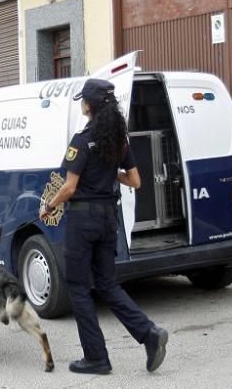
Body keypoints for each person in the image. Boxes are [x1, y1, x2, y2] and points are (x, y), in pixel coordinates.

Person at [39, 78, 168, 375]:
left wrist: (48, 207)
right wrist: (111, 175)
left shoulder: (82, 140)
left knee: (79, 287)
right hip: (109, 218)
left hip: (83, 220)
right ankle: (149, 334)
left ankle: (97, 358)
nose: (82, 104)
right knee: (108, 284)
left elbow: (70, 187)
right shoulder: (117, 140)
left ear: (89, 106)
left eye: (83, 100)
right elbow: (135, 181)